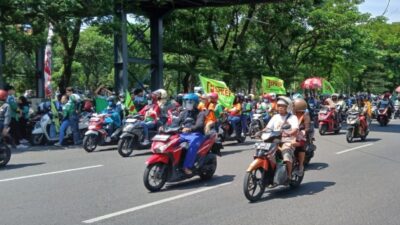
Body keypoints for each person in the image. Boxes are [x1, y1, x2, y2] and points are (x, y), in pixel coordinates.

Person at [263, 96, 299, 182]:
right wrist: (260, 132)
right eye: (278, 105)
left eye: (282, 106)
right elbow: (268, 128)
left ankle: (289, 176)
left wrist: (289, 132)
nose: (280, 107)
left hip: (287, 140)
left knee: (286, 155)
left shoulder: (292, 117)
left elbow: (295, 129)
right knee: (263, 153)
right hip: (274, 140)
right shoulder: (275, 117)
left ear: (288, 107)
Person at [173, 93, 206, 175]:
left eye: (190, 102)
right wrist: (165, 127)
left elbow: (199, 125)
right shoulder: (183, 113)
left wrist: (190, 129)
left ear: (195, 103)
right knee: (172, 141)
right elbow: (176, 122)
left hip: (196, 134)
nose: (187, 104)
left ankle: (187, 166)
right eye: (186, 102)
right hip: (183, 134)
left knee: (193, 144)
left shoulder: (200, 113)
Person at [292, 98, 311, 176]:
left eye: (294, 106)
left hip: (300, 136)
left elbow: (307, 126)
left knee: (300, 147)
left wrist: (303, 131)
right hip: (290, 134)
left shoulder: (305, 115)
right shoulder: (291, 114)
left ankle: (300, 166)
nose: (292, 107)